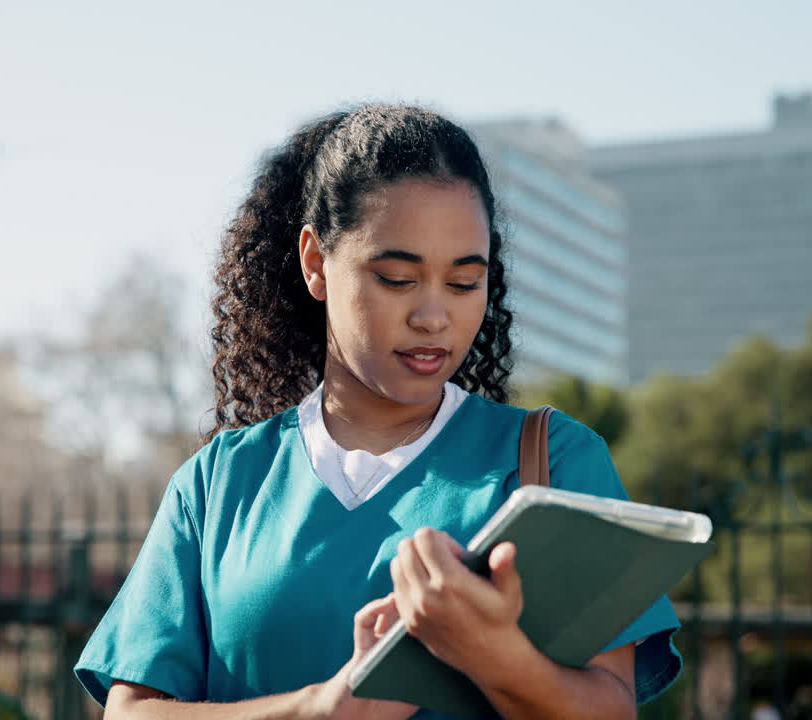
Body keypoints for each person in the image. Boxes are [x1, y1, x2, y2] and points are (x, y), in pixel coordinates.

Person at [74, 104, 682, 719]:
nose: (434, 316)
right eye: (396, 277)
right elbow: (132, 713)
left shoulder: (554, 464)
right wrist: (326, 709)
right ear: (316, 262)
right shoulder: (218, 483)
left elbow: (613, 710)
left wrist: (494, 657)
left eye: (465, 283)